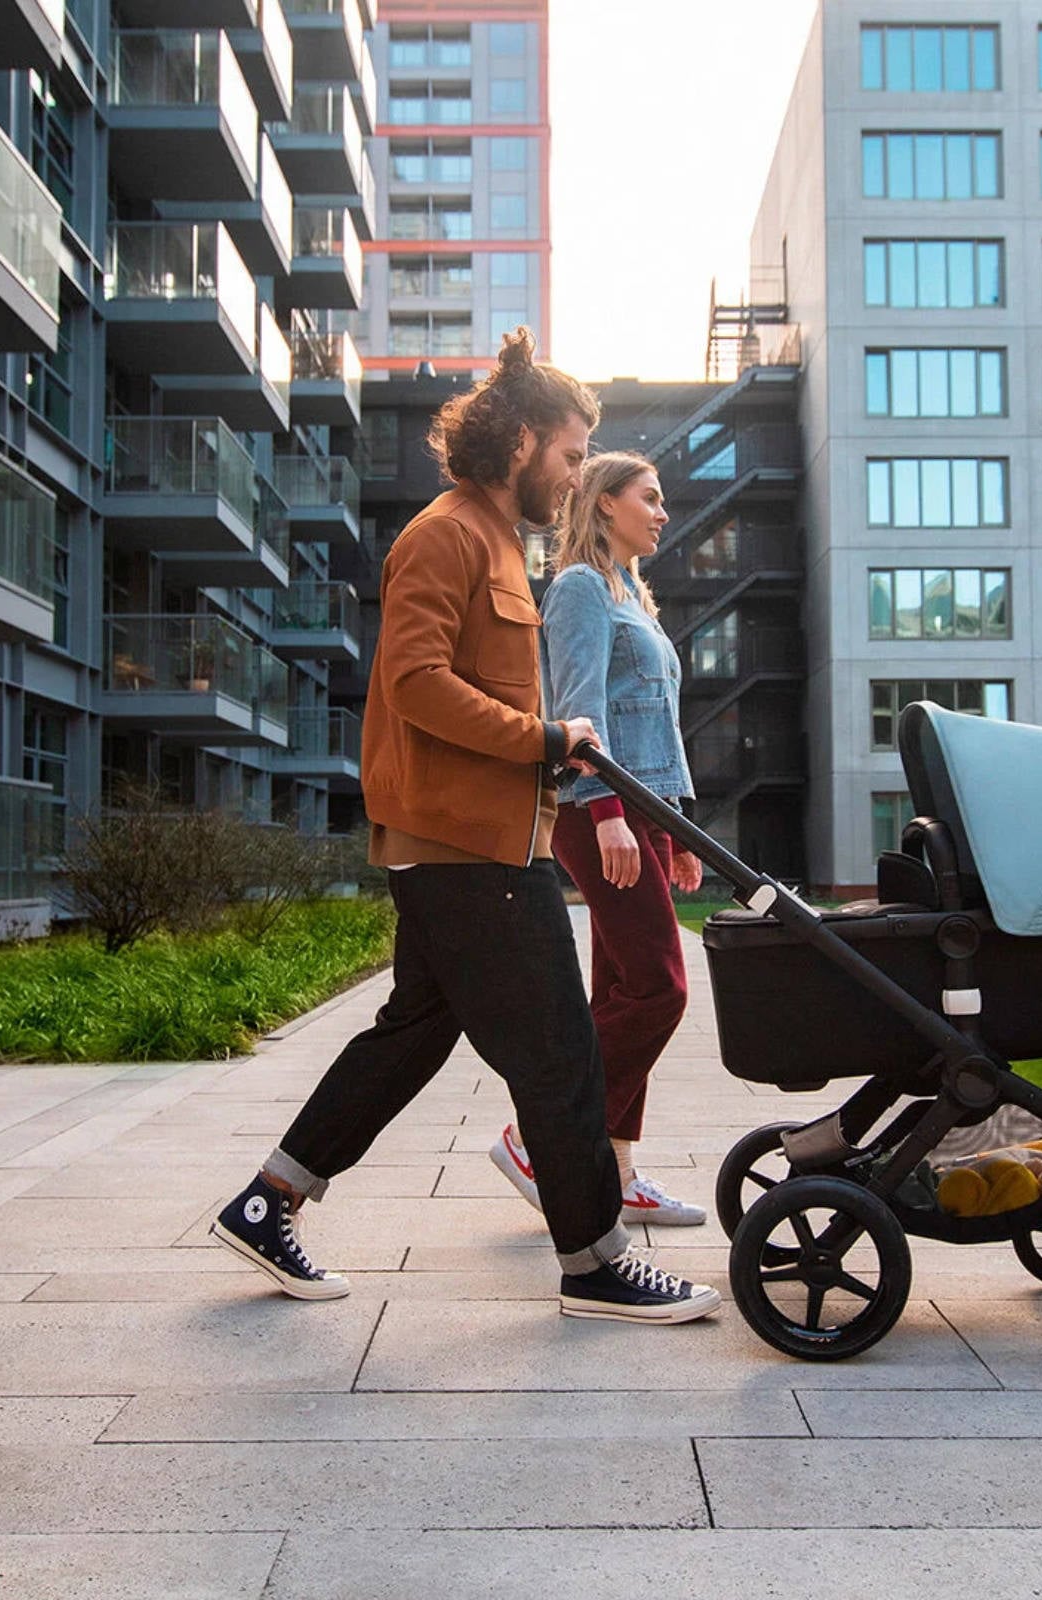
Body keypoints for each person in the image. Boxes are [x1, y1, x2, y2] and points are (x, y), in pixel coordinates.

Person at [209, 330, 720, 1326]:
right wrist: (543, 738)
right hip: (464, 845)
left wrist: (552, 748)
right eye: (573, 457)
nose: (574, 481)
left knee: (411, 1034)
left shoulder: (493, 540)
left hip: (475, 838)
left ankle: (267, 1200)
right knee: (562, 1047)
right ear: (524, 442)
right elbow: (412, 682)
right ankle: (594, 1258)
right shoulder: (446, 534)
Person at [489, 453, 709, 1227]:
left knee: (619, 992)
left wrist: (677, 828)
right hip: (599, 807)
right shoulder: (581, 589)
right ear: (605, 504)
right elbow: (581, 704)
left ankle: (615, 1172)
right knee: (660, 987)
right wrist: (609, 808)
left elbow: (658, 723)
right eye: (649, 498)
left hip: (644, 807)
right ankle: (535, 1137)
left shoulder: (631, 597)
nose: (661, 512)